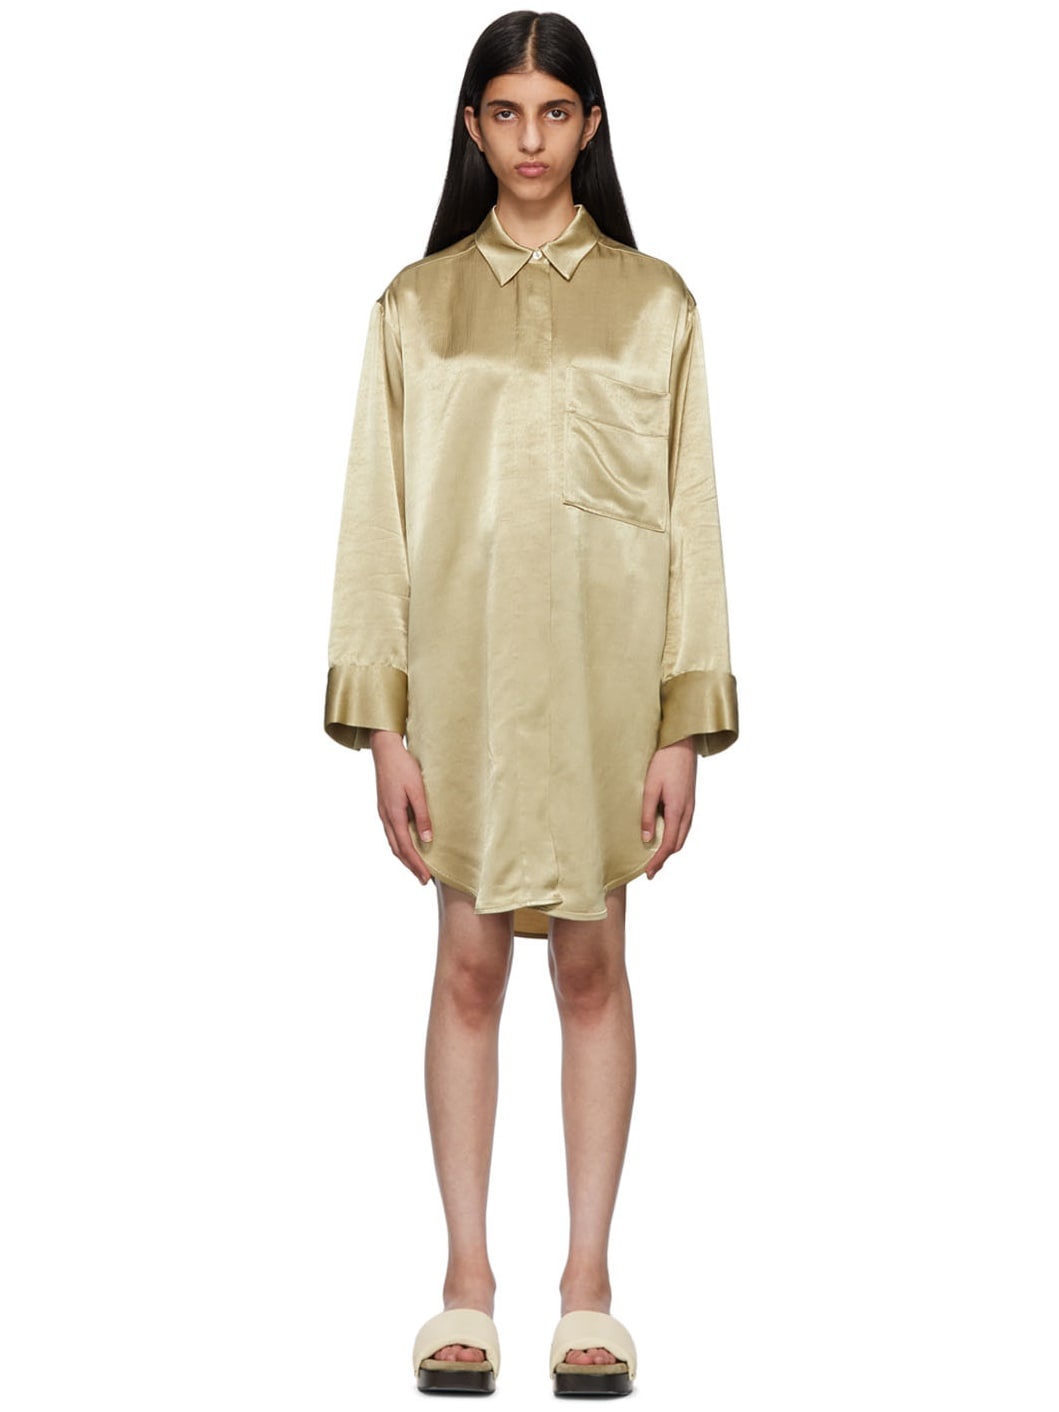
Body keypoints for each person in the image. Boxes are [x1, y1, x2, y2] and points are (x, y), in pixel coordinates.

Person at [323, 10, 738, 1396]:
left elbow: (690, 519)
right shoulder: (414, 308)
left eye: (555, 113)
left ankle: (587, 1287)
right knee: (467, 967)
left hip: (608, 684)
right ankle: (465, 1281)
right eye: (505, 113)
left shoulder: (658, 306)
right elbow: (377, 524)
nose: (531, 141)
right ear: (473, 127)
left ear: (591, 126)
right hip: (462, 685)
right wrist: (382, 726)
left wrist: (683, 723)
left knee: (594, 967)